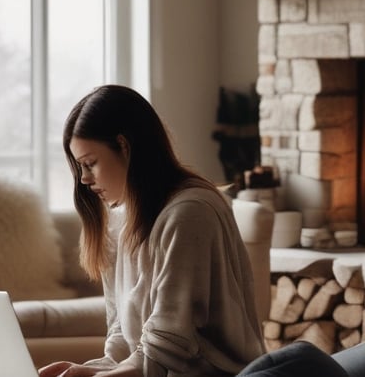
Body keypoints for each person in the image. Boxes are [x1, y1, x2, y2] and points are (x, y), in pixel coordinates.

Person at [39, 85, 265, 377]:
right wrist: (87, 370)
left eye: (90, 163)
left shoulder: (190, 212)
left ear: (124, 147)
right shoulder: (121, 222)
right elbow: (123, 339)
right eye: (79, 167)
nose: (83, 179)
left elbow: (169, 343)